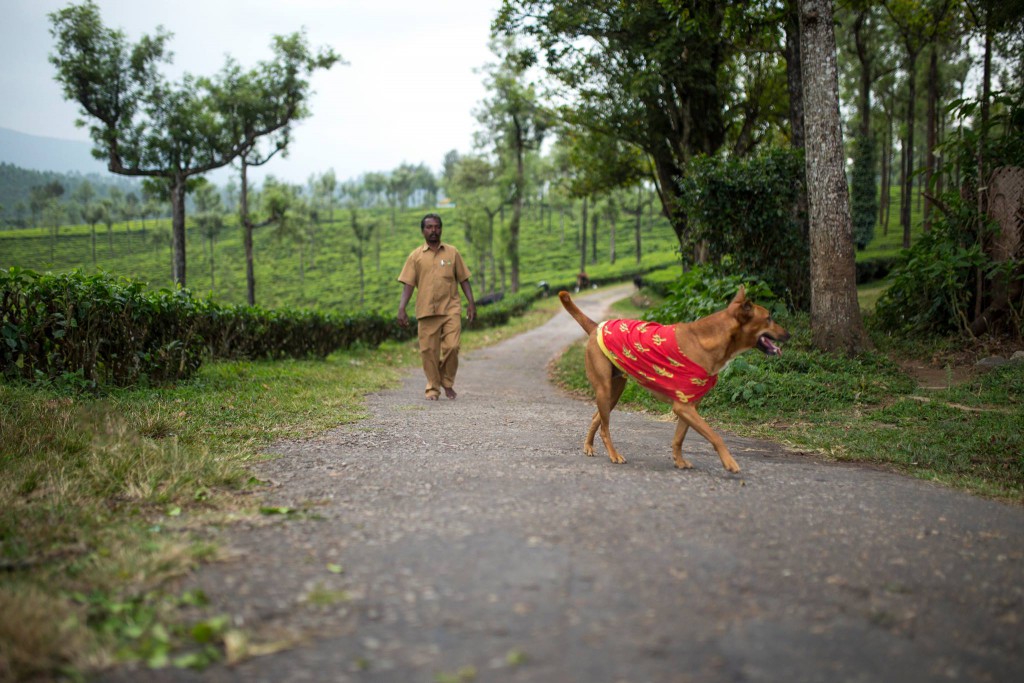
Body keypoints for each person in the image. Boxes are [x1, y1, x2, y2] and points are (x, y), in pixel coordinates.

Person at [397, 213, 476, 400]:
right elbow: (408, 284)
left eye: (437, 227)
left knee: (452, 347)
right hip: (426, 311)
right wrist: (402, 308)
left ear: (441, 229)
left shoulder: (452, 253)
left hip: (450, 309)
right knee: (429, 353)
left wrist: (471, 303)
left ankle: (447, 382)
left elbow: (464, 279)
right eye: (429, 227)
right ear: (423, 231)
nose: (434, 231)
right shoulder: (415, 256)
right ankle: (433, 387)